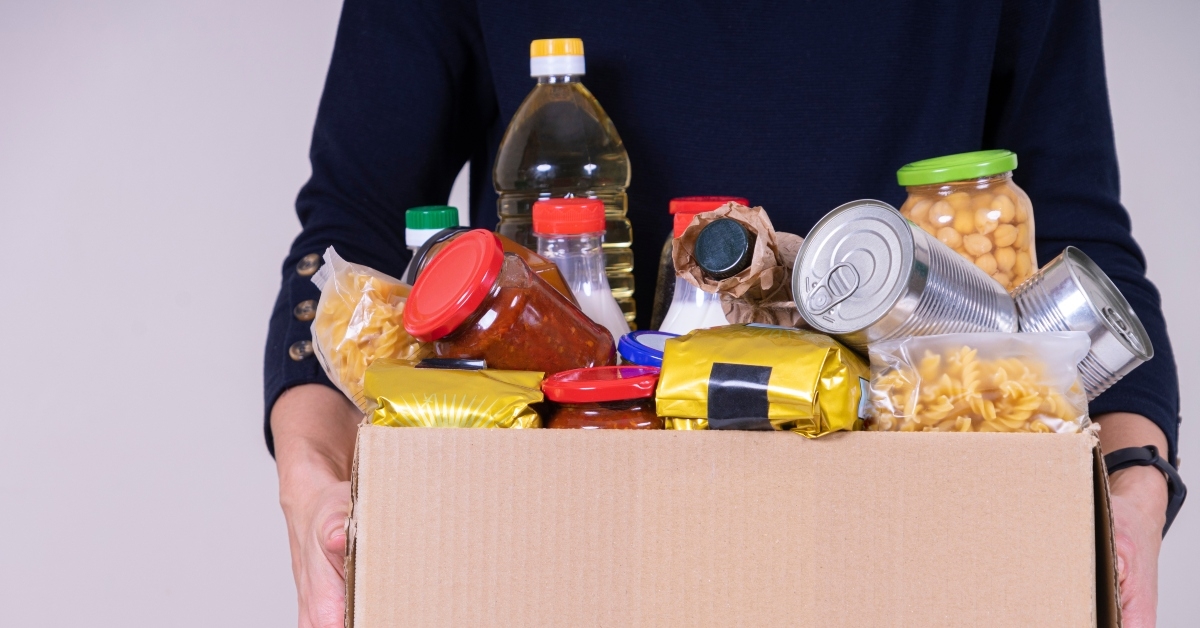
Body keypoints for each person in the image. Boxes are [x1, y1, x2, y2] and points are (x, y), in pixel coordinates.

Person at [264, 1, 1181, 626]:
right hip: (573, 517)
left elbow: (1078, 242)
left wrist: (1133, 484)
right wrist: (315, 484)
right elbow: (359, 226)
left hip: (914, 510)